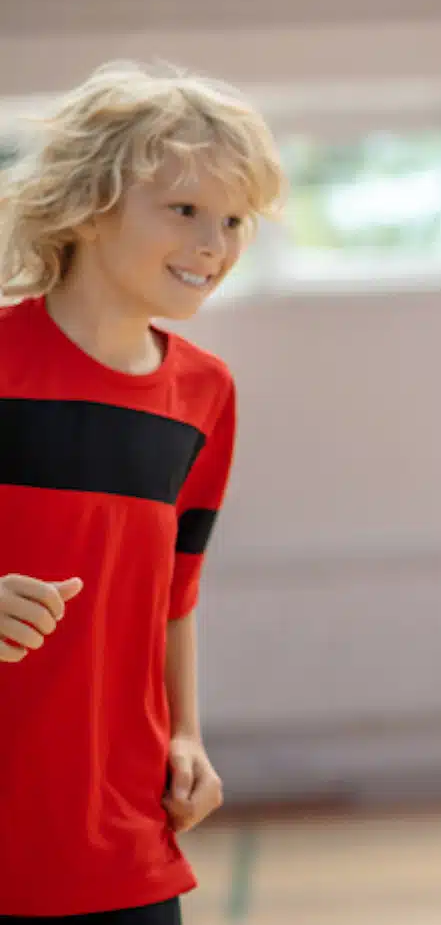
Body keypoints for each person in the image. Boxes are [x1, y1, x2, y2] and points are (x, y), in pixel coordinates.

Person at [0, 61, 285, 923]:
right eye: (185, 210)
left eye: (234, 220)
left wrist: (186, 735)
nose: (215, 244)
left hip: (123, 839)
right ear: (89, 205)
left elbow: (175, 591)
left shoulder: (206, 395)